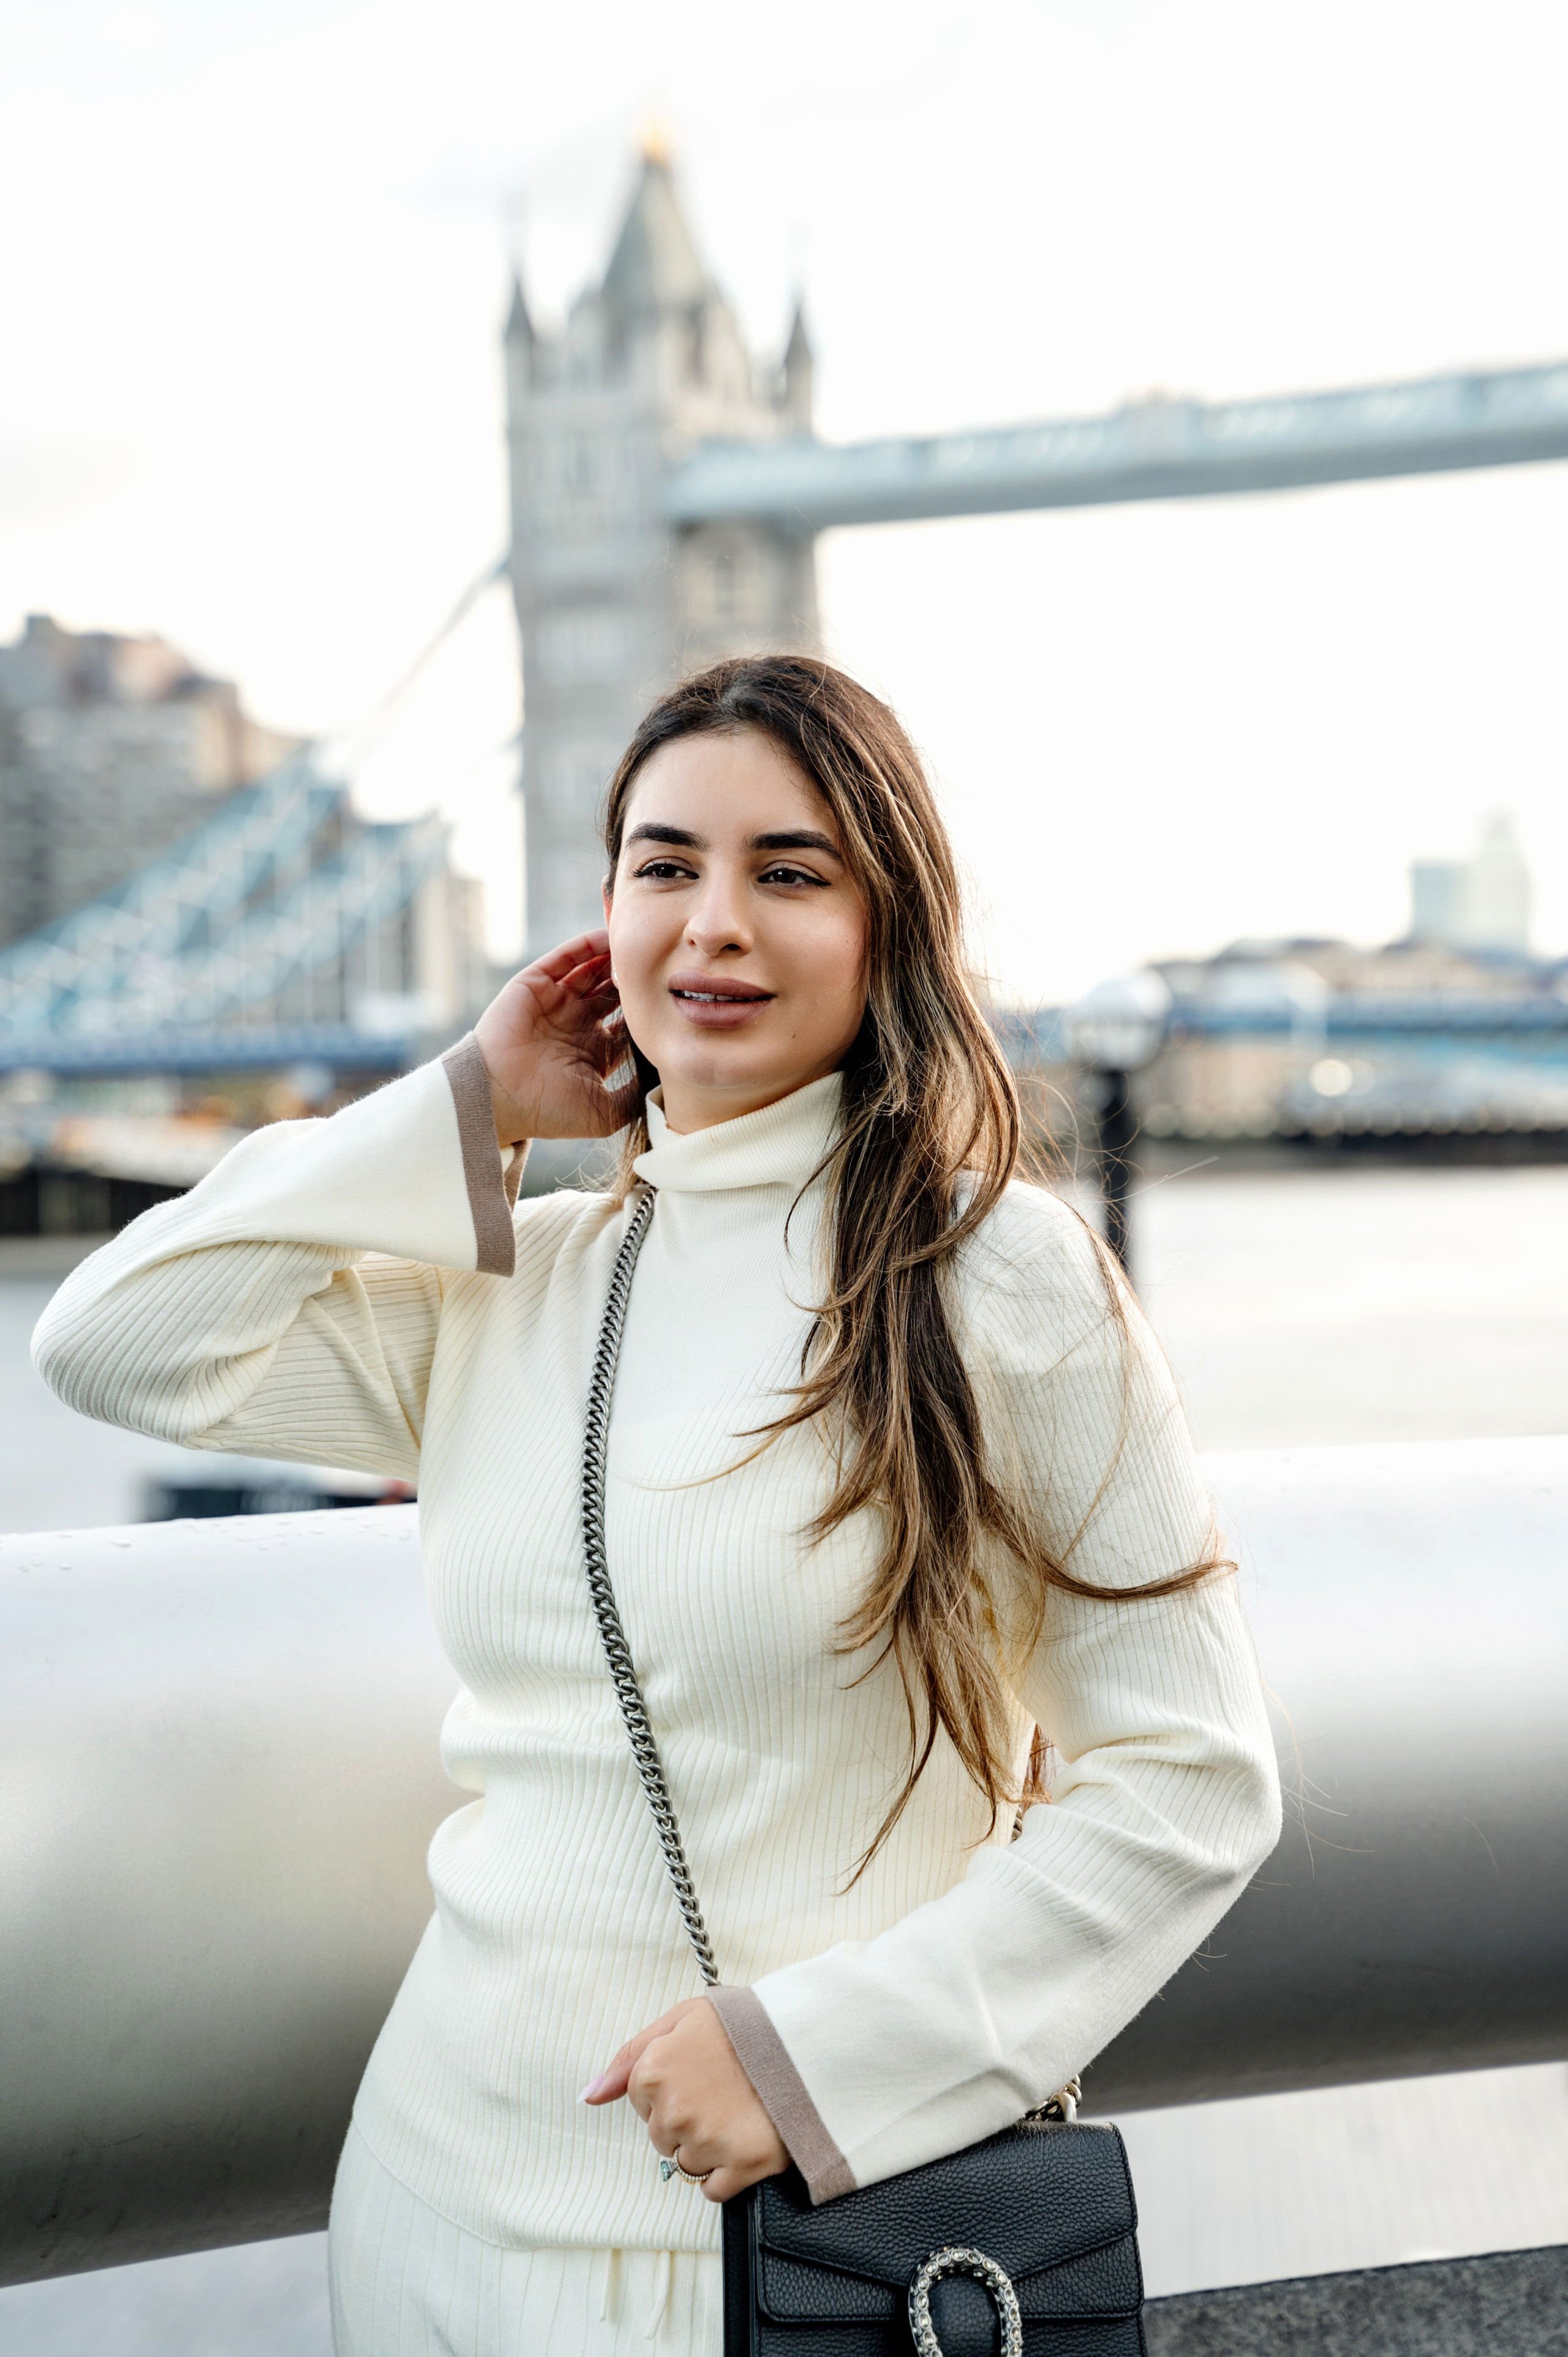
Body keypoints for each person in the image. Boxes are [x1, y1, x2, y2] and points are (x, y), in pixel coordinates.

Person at [35, 656, 1281, 2356]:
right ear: (604, 913)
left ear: (889, 927)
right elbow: (118, 1339)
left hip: (782, 2244)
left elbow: (1189, 1781)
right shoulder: (516, 1284)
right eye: (663, 865)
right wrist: (464, 1108)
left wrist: (819, 2059)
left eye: (789, 872)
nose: (714, 924)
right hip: (429, 2197)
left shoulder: (997, 1276)